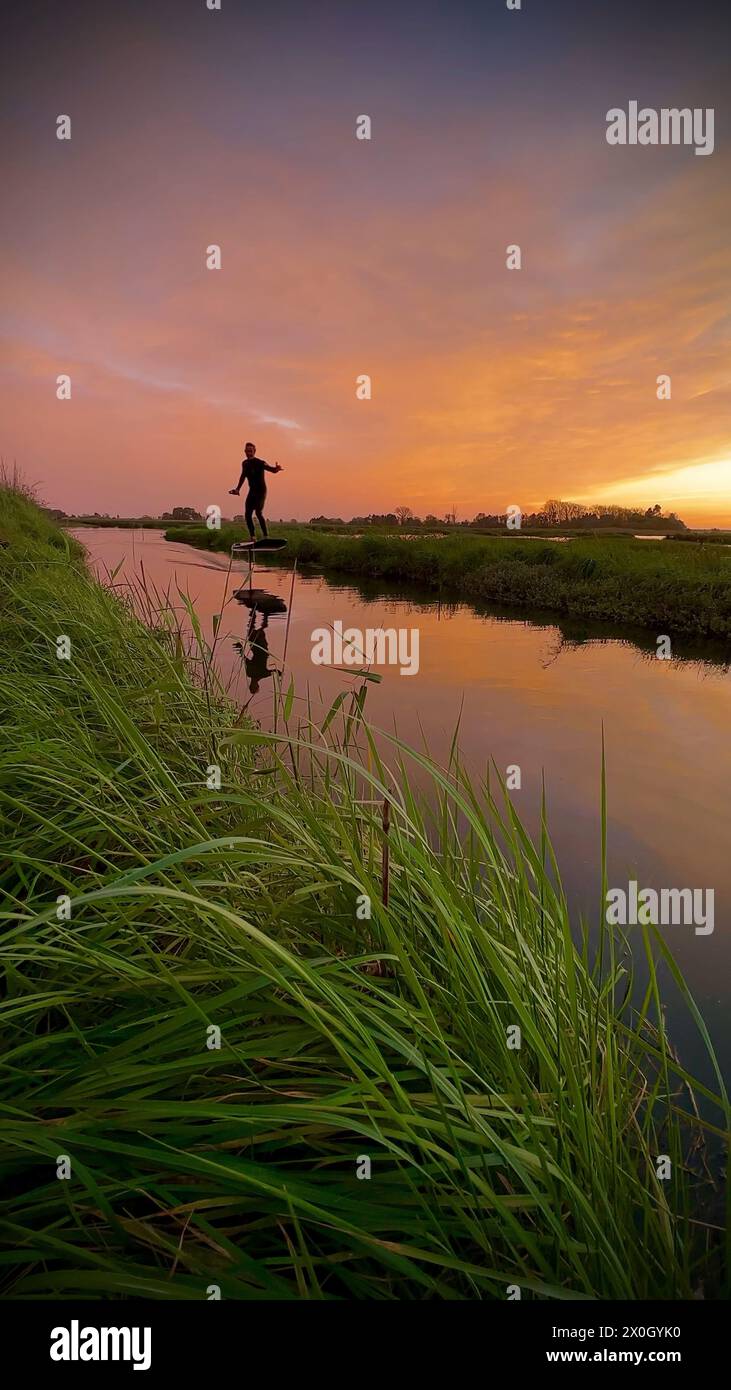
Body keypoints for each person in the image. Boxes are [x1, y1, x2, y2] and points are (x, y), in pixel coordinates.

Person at [229, 442, 283, 540]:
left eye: (250, 451)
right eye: (247, 451)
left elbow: (271, 469)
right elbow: (243, 476)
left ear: (254, 451)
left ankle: (266, 536)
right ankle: (253, 537)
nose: (248, 453)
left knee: (258, 513)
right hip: (252, 491)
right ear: (245, 452)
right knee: (247, 514)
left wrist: (276, 469)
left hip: (261, 491)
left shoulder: (260, 462)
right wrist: (237, 489)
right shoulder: (244, 463)